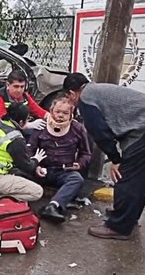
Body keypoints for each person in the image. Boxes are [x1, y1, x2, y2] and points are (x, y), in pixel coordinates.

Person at [62, 72, 145, 240]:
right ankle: (128, 219)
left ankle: (118, 226)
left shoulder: (86, 99)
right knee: (141, 176)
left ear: (72, 93)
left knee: (126, 174)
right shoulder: (98, 90)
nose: (71, 102)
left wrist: (116, 160)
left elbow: (100, 133)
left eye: (69, 98)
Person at [29, 95, 92, 223]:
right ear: (51, 112)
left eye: (65, 113)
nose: (60, 115)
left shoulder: (78, 129)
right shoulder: (41, 126)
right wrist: (36, 166)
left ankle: (53, 206)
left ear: (71, 114)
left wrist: (79, 165)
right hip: (41, 170)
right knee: (18, 173)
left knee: (77, 179)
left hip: (63, 171)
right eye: (57, 112)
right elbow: (29, 151)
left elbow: (86, 153)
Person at [0, 102, 48, 202]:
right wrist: (36, 160)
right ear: (21, 122)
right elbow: (26, 166)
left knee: (18, 174)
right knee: (37, 192)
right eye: (27, 119)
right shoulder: (15, 138)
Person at [0, 69, 50, 137]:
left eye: (22, 87)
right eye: (16, 86)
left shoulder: (24, 96)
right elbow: (3, 124)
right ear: (8, 85)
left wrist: (51, 119)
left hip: (13, 127)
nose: (19, 90)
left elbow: (39, 111)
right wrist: (28, 125)